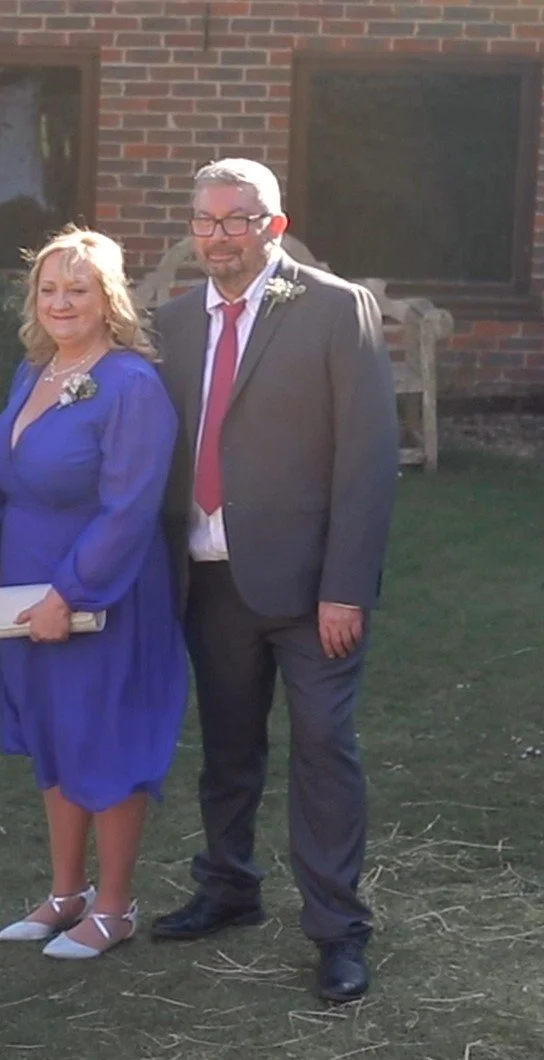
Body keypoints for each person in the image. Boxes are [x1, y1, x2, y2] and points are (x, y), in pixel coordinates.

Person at [148, 158, 400, 1003]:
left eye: (237, 219)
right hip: (209, 576)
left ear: (274, 225)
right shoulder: (173, 322)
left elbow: (366, 462)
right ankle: (228, 885)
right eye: (205, 220)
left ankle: (338, 929)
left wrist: (347, 585)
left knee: (324, 747)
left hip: (308, 587)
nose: (218, 235)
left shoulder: (333, 308)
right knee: (227, 747)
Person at [0, 228, 183, 960]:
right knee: (53, 732)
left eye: (79, 288)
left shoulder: (132, 383)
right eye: (50, 289)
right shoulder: (31, 372)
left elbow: (129, 506)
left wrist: (70, 592)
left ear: (109, 299)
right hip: (26, 585)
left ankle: (114, 904)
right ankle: (64, 893)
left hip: (105, 587)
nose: (62, 302)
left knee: (106, 734)